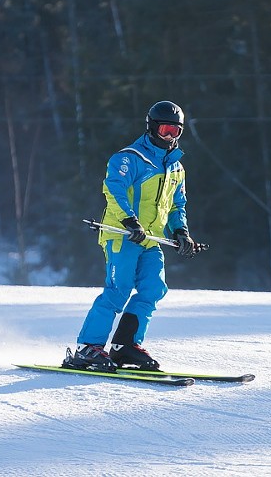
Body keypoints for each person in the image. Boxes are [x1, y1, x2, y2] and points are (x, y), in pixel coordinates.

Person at [64, 100, 202, 372]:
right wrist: (130, 221)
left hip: (150, 239)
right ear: (151, 128)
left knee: (153, 289)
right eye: (165, 130)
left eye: (176, 131)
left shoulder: (176, 168)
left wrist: (181, 232)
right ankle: (87, 348)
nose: (170, 137)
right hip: (123, 236)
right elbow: (113, 190)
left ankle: (125, 344)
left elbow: (177, 206)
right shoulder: (129, 158)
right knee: (119, 289)